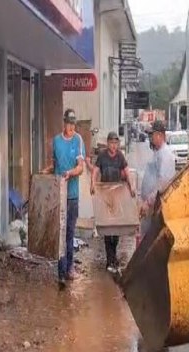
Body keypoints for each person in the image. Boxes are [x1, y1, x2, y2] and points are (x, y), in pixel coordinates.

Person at [41, 108, 85, 289]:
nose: (71, 127)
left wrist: (70, 173)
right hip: (58, 194)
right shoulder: (57, 141)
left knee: (69, 232)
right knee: (59, 233)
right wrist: (46, 172)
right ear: (64, 123)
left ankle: (69, 268)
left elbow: (80, 167)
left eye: (73, 124)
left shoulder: (78, 139)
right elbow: (55, 164)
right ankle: (60, 272)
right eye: (68, 123)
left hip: (72, 195)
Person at [91, 131, 135, 273]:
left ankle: (113, 257)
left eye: (116, 143)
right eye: (111, 143)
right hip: (105, 196)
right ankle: (110, 260)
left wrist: (131, 186)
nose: (114, 146)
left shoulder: (120, 156)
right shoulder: (102, 156)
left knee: (115, 228)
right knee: (107, 227)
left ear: (118, 144)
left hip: (117, 196)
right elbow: (96, 171)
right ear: (108, 143)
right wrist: (93, 184)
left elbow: (127, 171)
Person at [139, 120, 176, 238]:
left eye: (152, 135)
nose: (151, 138)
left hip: (158, 206)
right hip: (152, 206)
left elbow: (162, 184)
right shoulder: (158, 152)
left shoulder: (166, 155)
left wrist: (148, 202)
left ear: (160, 135)